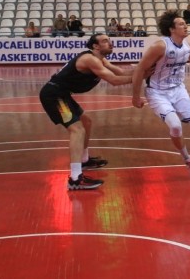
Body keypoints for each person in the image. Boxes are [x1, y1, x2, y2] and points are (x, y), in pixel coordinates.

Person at [131, 10, 190, 181]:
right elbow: (139, 69)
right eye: (181, 24)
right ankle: (189, 161)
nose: (186, 26)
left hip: (178, 90)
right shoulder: (159, 46)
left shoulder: (188, 45)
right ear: (171, 29)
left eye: (185, 23)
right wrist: (135, 96)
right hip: (157, 92)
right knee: (175, 126)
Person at [39, 33, 138, 190]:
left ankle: (84, 160)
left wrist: (145, 70)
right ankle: (75, 179)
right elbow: (114, 80)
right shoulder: (90, 59)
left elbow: (120, 72)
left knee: (86, 121)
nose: (110, 43)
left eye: (109, 40)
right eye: (105, 41)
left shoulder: (100, 59)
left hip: (62, 95)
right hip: (54, 96)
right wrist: (142, 77)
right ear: (95, 46)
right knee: (77, 130)